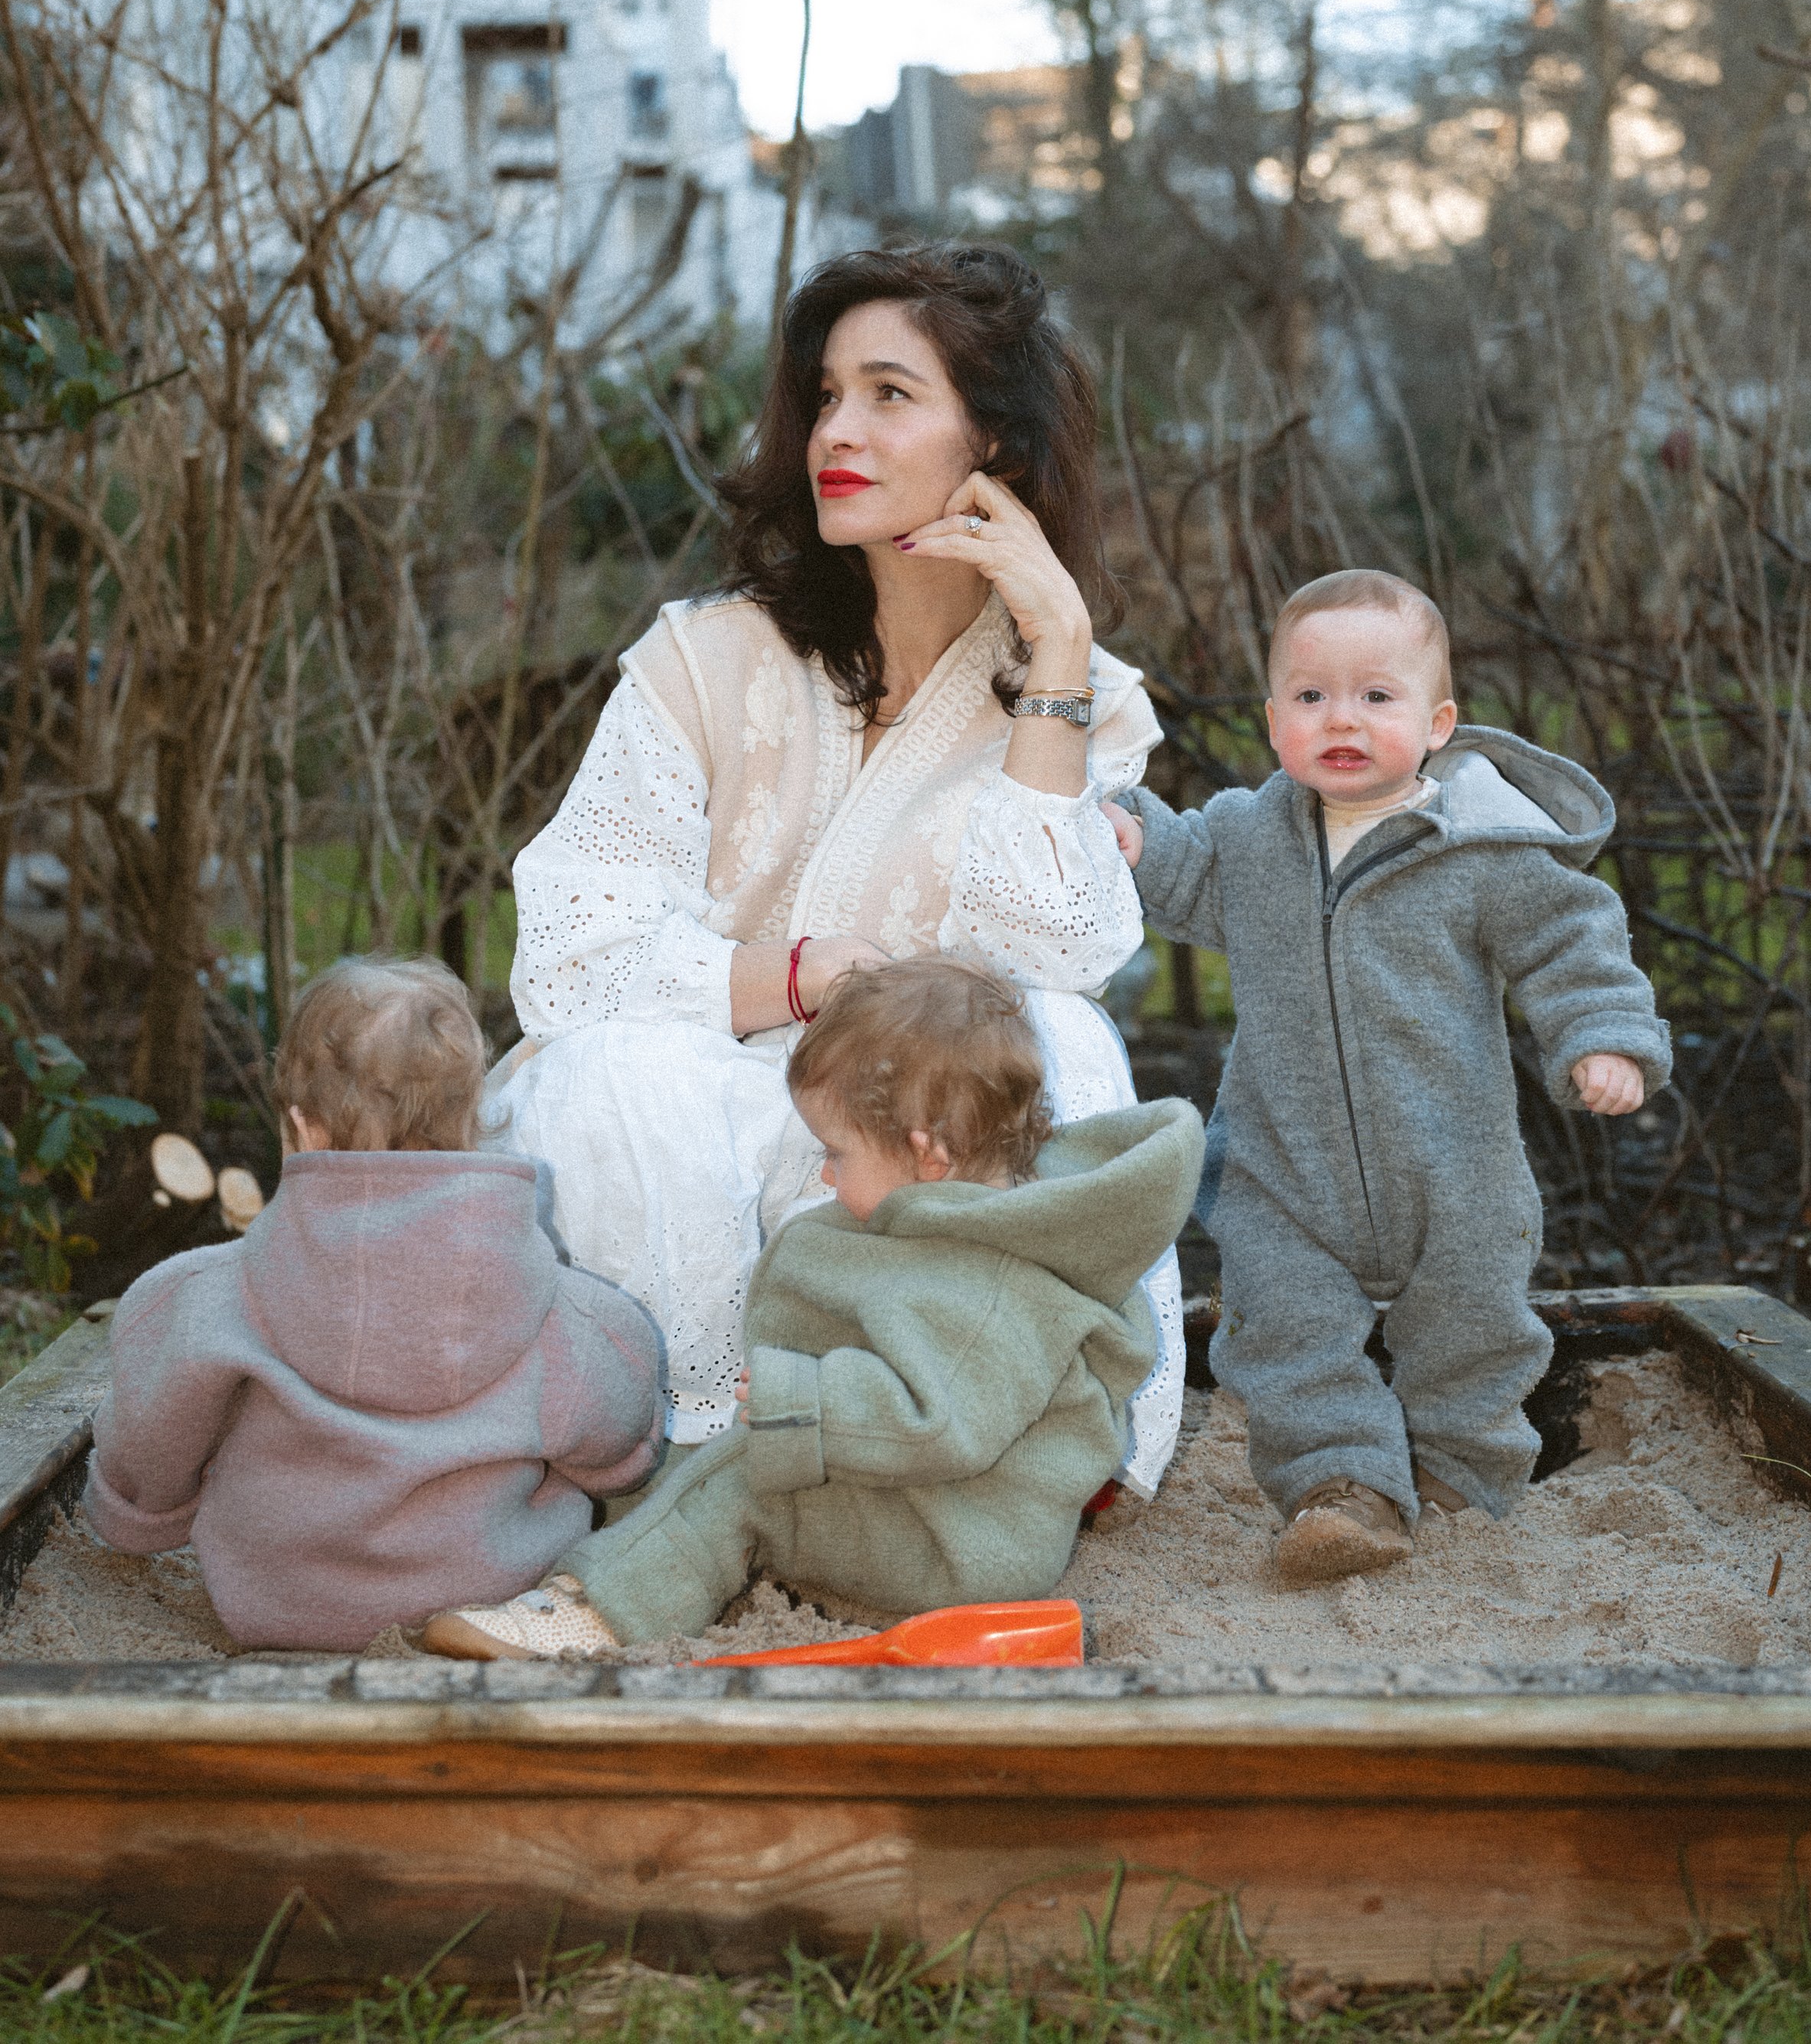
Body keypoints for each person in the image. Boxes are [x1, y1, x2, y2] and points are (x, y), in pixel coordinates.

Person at [483, 243, 1185, 1495]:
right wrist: (807, 975)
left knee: (1069, 1041)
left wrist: (1058, 649)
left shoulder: (1086, 697)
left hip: (918, 1153)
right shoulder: (702, 658)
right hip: (694, 1134)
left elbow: (1051, 958)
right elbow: (573, 955)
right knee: (604, 1075)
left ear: (996, 444)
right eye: (824, 397)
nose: (835, 432)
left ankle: (1008, 1447)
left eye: (888, 394)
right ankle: (692, 1456)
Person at [1106, 568, 1671, 1589]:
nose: (1342, 718)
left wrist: (1604, 1036)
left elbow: (1570, 937)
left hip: (1453, 1166)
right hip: (1285, 1169)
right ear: (1273, 720)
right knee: (1283, 1335)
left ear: (1437, 722)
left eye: (1376, 695)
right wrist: (1130, 831)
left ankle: (1460, 1478)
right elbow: (1180, 871)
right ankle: (1341, 1489)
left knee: (1473, 1334)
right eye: (1311, 695)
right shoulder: (1248, 837)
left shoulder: (1479, 846)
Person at [423, 957, 1205, 1659]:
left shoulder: (999, 1283)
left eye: (837, 1153)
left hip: (958, 1543)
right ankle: (634, 1547)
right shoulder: (961, 1222)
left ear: (929, 1152)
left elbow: (939, 1424)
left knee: (740, 1484)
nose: (827, 1177)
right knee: (701, 1465)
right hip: (932, 1504)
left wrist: (807, 1401)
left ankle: (596, 1615)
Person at [81, 957, 666, 1651]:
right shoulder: (560, 1313)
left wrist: (143, 1516)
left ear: (303, 1128)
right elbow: (617, 1445)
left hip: (277, 1608)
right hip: (492, 1601)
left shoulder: (208, 1297)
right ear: (473, 1120)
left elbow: (145, 1454)